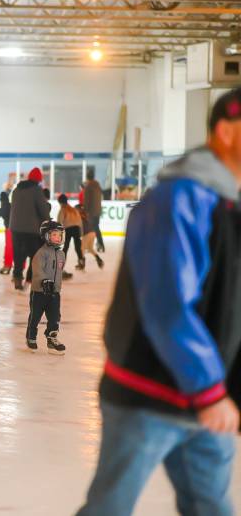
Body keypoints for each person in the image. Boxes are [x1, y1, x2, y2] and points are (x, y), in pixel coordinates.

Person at [77, 88, 241, 516]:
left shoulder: (233, 204)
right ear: (225, 132)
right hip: (148, 396)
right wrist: (209, 390)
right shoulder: (179, 200)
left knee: (211, 506)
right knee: (110, 508)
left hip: (211, 403)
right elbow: (168, 305)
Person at [25, 220, 66, 354]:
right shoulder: (41, 253)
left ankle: (52, 339)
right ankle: (31, 336)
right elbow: (37, 270)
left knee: (55, 317)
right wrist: (44, 281)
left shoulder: (61, 254)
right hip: (39, 292)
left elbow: (59, 271)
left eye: (59, 235)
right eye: (54, 235)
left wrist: (56, 285)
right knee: (35, 316)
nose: (58, 238)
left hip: (54, 293)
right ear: (46, 236)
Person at [9, 167, 50, 291]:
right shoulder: (37, 190)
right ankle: (30, 279)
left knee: (18, 255)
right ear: (38, 180)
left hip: (15, 228)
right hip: (31, 229)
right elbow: (43, 210)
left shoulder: (16, 189)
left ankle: (17, 278)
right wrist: (48, 222)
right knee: (35, 255)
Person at [56, 194, 84, 279]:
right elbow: (79, 221)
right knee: (78, 247)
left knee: (65, 249)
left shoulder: (63, 210)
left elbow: (59, 222)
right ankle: (81, 260)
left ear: (60, 202)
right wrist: (81, 232)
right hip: (76, 229)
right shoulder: (73, 209)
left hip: (68, 229)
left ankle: (61, 267)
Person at [75, 204, 104, 270]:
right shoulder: (85, 215)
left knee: (81, 249)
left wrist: (80, 235)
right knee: (90, 249)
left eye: (76, 209)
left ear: (78, 210)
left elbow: (81, 227)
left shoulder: (79, 216)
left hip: (87, 234)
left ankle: (81, 264)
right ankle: (99, 260)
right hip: (93, 233)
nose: (75, 210)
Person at [83, 168, 104, 252]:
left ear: (87, 177)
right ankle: (100, 244)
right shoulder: (98, 186)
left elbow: (87, 200)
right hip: (98, 211)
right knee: (96, 227)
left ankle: (90, 245)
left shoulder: (88, 187)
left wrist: (85, 211)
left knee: (90, 229)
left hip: (91, 212)